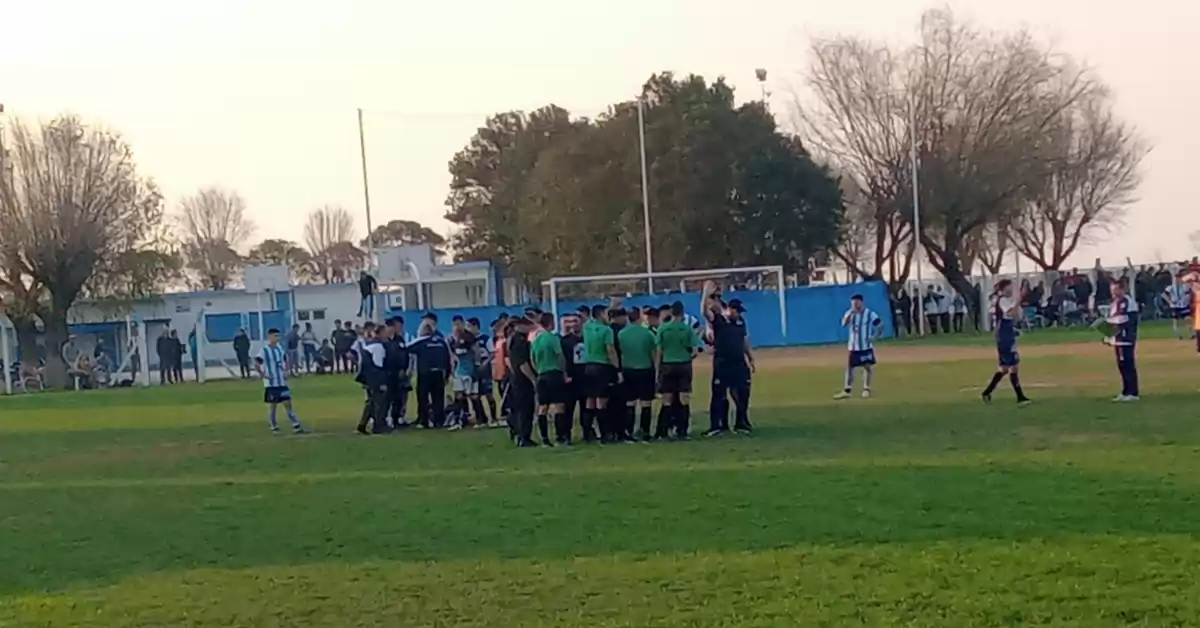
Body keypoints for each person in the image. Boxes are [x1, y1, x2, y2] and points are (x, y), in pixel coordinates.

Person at [705, 292, 755, 436]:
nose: (738, 314)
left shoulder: (740, 323)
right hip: (722, 363)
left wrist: (750, 358)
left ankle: (741, 421)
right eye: (736, 311)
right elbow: (706, 312)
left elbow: (744, 341)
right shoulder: (719, 321)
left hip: (738, 362)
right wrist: (705, 293)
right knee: (719, 394)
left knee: (742, 392)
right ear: (730, 309)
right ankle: (718, 425)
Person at [980, 279, 1032, 405]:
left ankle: (987, 392)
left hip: (1005, 335)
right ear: (1004, 289)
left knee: (1004, 369)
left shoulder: (1003, 300)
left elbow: (1005, 318)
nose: (1012, 290)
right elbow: (1011, 312)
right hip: (1004, 337)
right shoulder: (1002, 300)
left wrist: (1014, 329)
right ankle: (1020, 398)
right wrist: (1020, 298)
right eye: (1010, 287)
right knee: (1013, 366)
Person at [656, 300, 696, 439]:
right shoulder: (687, 329)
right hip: (684, 365)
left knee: (667, 399)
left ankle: (663, 431)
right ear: (682, 313)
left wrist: (658, 369)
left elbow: (659, 350)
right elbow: (695, 350)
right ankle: (682, 431)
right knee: (684, 398)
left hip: (667, 365)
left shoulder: (662, 328)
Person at [254, 327, 306, 434]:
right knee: (273, 406)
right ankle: (273, 425)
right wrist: (263, 374)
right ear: (269, 337)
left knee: (287, 403)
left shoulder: (279, 349)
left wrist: (286, 370)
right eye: (275, 336)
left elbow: (285, 360)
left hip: (282, 382)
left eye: (278, 336)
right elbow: (256, 363)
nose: (277, 338)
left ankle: (295, 425)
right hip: (271, 384)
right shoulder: (264, 350)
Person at [618, 307, 658, 441]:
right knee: (646, 402)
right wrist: (656, 370)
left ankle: (628, 431)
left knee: (630, 402)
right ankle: (644, 431)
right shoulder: (648, 334)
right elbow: (654, 354)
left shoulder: (621, 334)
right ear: (639, 317)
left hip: (628, 369)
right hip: (645, 369)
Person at [582, 305, 621, 443]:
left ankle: (587, 432)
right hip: (602, 366)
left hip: (588, 366)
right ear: (601, 315)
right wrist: (617, 369)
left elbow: (591, 318)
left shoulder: (587, 327)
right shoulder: (607, 330)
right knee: (602, 401)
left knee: (590, 400)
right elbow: (610, 350)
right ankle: (605, 434)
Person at [531, 312, 571, 445]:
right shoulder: (552, 338)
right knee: (559, 406)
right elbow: (559, 356)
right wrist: (564, 372)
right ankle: (560, 437)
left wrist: (538, 370)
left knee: (543, 407)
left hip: (542, 374)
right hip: (554, 374)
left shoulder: (535, 340)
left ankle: (544, 438)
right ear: (550, 322)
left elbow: (532, 359)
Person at [834, 294, 882, 400]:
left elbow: (880, 325)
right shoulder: (850, 313)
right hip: (853, 346)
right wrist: (850, 314)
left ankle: (866, 389)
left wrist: (874, 337)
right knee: (849, 368)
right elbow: (843, 324)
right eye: (853, 303)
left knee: (867, 367)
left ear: (861, 302)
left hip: (865, 346)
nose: (855, 305)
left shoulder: (869, 313)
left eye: (856, 302)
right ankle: (847, 390)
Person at [410, 313, 450, 428]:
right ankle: (438, 420)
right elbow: (447, 356)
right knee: (438, 397)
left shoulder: (421, 340)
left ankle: (424, 420)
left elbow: (407, 349)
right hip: (438, 372)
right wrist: (447, 373)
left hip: (425, 373)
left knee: (423, 396)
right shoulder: (441, 340)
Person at [1104, 279, 1140, 402]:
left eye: (1116, 289)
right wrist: (1108, 334)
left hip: (1126, 338)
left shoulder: (1128, 302)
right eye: (1112, 290)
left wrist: (1113, 324)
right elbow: (1111, 319)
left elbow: (1128, 320)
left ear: (1122, 289)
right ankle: (1125, 390)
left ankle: (1133, 392)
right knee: (1121, 365)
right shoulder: (1114, 303)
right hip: (1117, 338)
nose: (1113, 292)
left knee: (1128, 364)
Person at [506, 316, 537, 447]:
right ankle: (524, 437)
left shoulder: (512, 339)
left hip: (515, 378)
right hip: (523, 379)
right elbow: (523, 363)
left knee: (518, 407)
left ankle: (517, 432)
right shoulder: (521, 341)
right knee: (526, 408)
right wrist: (533, 379)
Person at [355, 322, 391, 434]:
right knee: (379, 402)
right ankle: (378, 426)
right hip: (375, 378)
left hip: (367, 378)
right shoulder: (378, 347)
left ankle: (362, 424)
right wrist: (382, 382)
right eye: (385, 332)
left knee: (370, 402)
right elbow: (378, 366)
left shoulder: (369, 344)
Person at [467, 317, 499, 427]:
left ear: (475, 326)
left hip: (485, 369)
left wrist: (485, 363)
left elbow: (492, 353)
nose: (468, 329)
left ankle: (494, 418)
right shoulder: (468, 339)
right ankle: (481, 418)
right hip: (474, 369)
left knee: (488, 393)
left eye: (470, 326)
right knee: (475, 394)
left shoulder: (485, 338)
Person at [448, 315, 478, 430]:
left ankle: (478, 418)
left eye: (458, 323)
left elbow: (476, 352)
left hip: (469, 370)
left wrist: (476, 366)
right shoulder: (451, 338)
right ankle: (461, 418)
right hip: (458, 371)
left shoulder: (468, 336)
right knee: (459, 395)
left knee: (471, 395)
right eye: (455, 324)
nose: (457, 326)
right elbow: (452, 356)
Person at [559, 314, 586, 437]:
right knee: (568, 407)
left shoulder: (587, 338)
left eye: (575, 321)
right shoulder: (565, 341)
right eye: (570, 321)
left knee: (586, 407)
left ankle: (587, 431)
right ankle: (565, 433)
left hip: (585, 376)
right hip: (570, 377)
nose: (573, 324)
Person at [385, 318, 411, 427]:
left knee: (398, 397)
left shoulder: (399, 340)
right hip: (387, 372)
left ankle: (396, 419)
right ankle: (384, 419)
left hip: (399, 373)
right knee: (386, 397)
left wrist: (403, 368)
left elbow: (404, 355)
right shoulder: (384, 341)